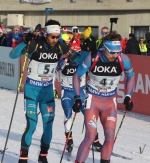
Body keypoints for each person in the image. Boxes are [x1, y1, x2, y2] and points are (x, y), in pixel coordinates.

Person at [9, 19, 69, 163]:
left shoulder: (61, 47)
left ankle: (43, 157)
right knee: (32, 125)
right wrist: (25, 42)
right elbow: (12, 55)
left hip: (47, 91)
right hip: (32, 90)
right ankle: (23, 158)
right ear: (46, 34)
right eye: (52, 36)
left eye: (58, 36)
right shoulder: (34, 45)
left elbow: (74, 57)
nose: (55, 39)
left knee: (48, 126)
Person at [72, 32, 135, 163]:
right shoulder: (93, 57)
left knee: (110, 136)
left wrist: (128, 96)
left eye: (118, 52)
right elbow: (76, 76)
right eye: (112, 52)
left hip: (109, 102)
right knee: (90, 136)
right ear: (105, 48)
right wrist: (77, 97)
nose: (115, 55)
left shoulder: (123, 59)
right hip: (93, 100)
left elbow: (131, 76)